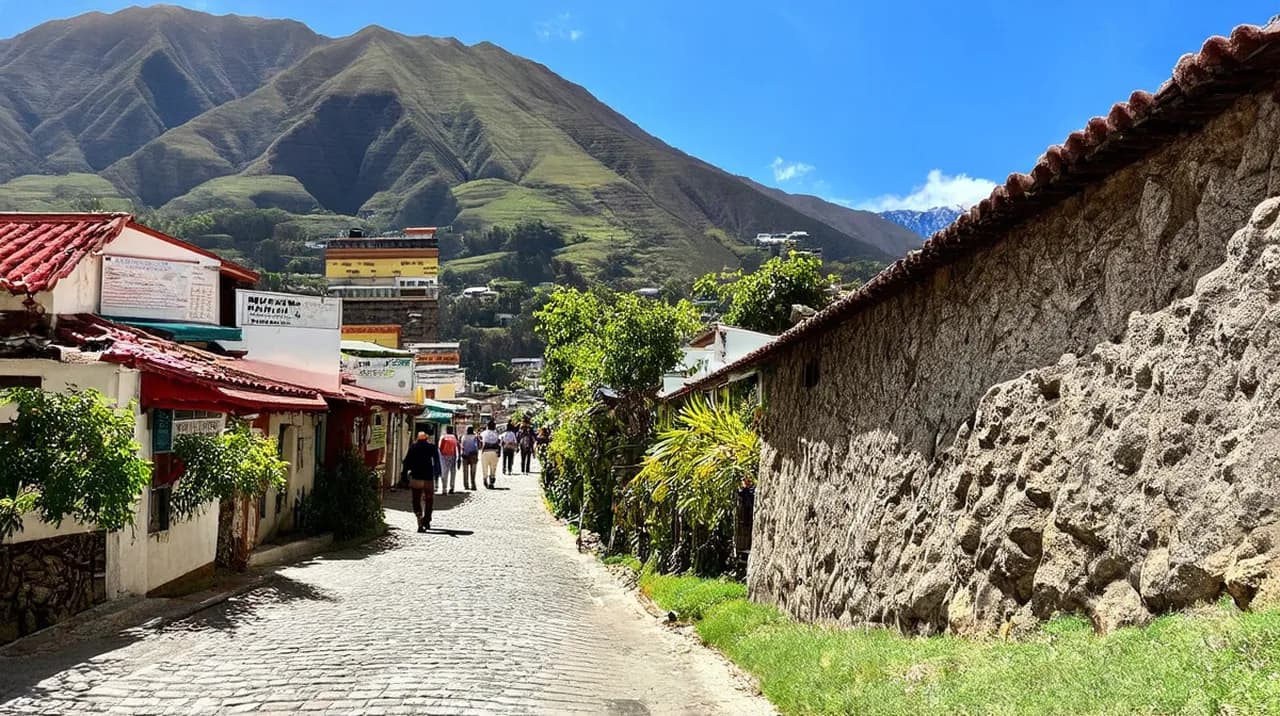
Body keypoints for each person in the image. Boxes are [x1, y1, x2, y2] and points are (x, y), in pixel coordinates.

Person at [401, 432, 441, 532]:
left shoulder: (413, 447)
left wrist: (404, 476)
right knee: (429, 499)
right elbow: (437, 461)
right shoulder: (431, 447)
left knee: (416, 499)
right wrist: (437, 474)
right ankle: (427, 520)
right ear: (426, 438)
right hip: (428, 478)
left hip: (416, 477)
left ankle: (419, 519)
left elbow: (406, 462)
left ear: (417, 439)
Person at [480, 420, 502, 488]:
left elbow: (480, 441)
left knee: (485, 467)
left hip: (485, 452)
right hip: (494, 452)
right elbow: (499, 443)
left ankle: (485, 478)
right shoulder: (496, 434)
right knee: (493, 467)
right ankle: (492, 481)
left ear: (487, 426)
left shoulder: (483, 433)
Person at [438, 425, 459, 494]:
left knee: (444, 472)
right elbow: (456, 447)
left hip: (444, 457)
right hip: (453, 456)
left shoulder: (443, 437)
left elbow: (440, 447)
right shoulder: (454, 437)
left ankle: (444, 489)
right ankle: (452, 487)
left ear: (446, 430)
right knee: (453, 472)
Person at [460, 425, 480, 491]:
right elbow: (477, 447)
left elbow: (462, 446)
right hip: (473, 455)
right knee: (473, 471)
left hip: (465, 455)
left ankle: (466, 485)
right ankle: (473, 484)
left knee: (465, 471)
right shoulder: (475, 437)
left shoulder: (463, 437)